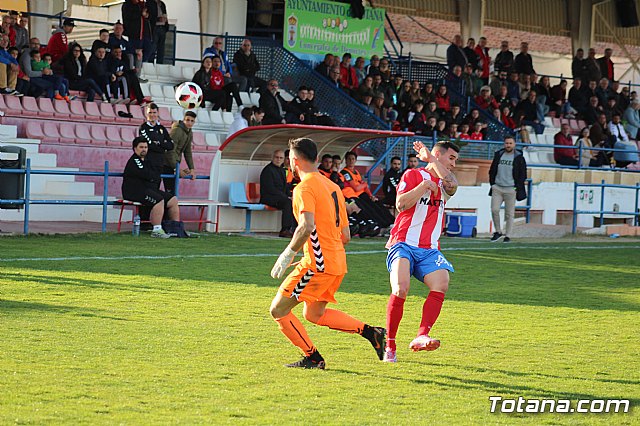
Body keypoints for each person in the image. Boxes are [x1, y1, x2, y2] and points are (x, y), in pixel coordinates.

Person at [268, 137, 386, 369]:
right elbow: (346, 236)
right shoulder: (332, 186)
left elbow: (306, 225)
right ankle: (372, 333)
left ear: (294, 160)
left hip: (317, 265)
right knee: (314, 314)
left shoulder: (304, 187)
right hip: (337, 262)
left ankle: (313, 358)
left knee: (278, 309)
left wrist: (288, 254)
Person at [383, 140, 459, 363]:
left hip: (429, 249)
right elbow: (401, 204)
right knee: (400, 288)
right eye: (451, 158)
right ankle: (390, 345)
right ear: (438, 153)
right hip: (403, 242)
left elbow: (452, 186)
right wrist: (422, 187)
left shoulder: (446, 182)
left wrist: (433, 161)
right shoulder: (412, 175)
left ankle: (421, 335)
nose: (454, 164)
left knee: (441, 283)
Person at [122, 137, 179, 238]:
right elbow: (148, 175)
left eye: (146, 147)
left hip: (148, 190)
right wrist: (152, 176)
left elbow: (155, 175)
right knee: (158, 200)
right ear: (135, 149)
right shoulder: (135, 160)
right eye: (141, 147)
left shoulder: (148, 160)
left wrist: (153, 176)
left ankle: (175, 228)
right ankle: (156, 230)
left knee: (173, 200)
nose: (144, 149)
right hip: (134, 191)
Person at [488, 136, 527, 243]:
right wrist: (493, 184)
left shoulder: (519, 157)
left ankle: (508, 235)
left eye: (510, 143)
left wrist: (516, 187)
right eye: (506, 143)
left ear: (514, 144)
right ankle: (498, 231)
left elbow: (523, 174)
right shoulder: (499, 155)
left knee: (509, 213)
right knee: (494, 209)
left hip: (511, 189)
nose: (508, 145)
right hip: (498, 188)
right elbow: (492, 170)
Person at [260, 150, 295, 238]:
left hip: (279, 197)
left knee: (295, 201)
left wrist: (291, 196)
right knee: (288, 202)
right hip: (268, 197)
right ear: (272, 158)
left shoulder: (282, 170)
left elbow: (284, 187)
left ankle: (294, 229)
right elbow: (270, 189)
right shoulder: (267, 170)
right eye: (276, 157)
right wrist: (286, 197)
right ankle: (285, 230)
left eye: (281, 158)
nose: (278, 160)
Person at [139, 103, 174, 186]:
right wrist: (163, 147)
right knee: (149, 188)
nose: (152, 115)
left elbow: (171, 145)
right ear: (146, 114)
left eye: (154, 112)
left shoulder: (161, 128)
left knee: (156, 188)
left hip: (160, 163)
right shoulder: (143, 128)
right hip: (148, 163)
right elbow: (149, 145)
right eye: (150, 112)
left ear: (158, 113)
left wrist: (158, 143)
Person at [164, 110, 196, 195]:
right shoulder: (177, 131)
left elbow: (188, 151)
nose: (189, 123)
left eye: (192, 121)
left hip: (174, 165)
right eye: (187, 120)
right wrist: (176, 168)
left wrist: (192, 169)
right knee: (170, 193)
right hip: (166, 164)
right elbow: (169, 151)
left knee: (173, 193)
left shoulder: (189, 132)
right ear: (183, 119)